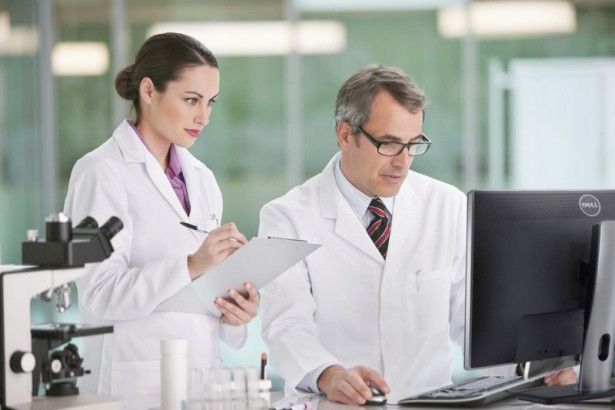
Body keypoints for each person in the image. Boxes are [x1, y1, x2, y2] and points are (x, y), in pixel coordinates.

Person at [258, 64, 576, 406]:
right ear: (346, 134)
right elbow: (286, 325)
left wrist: (530, 366)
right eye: (389, 144)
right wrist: (328, 373)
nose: (403, 162)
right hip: (334, 403)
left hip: (427, 403)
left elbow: (472, 322)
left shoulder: (446, 205)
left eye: (413, 144)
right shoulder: (287, 217)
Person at [64, 33, 259, 409]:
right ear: (149, 91)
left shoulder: (202, 179)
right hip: (130, 387)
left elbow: (194, 296)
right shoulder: (100, 172)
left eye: (210, 103)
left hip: (200, 382)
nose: (204, 117)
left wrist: (236, 312)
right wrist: (191, 264)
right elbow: (98, 293)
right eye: (191, 100)